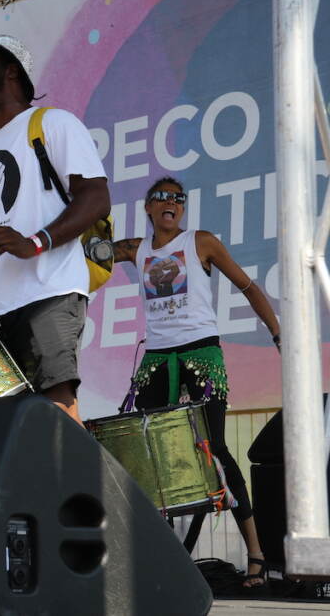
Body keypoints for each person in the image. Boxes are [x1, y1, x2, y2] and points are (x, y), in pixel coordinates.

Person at [113, 176, 279, 588]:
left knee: (215, 448)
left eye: (178, 198)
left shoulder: (201, 242)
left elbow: (247, 286)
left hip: (200, 355)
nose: (171, 202)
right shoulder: (135, 249)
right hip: (156, 359)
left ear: (182, 209)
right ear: (148, 207)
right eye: (162, 197)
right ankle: (158, 555)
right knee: (152, 454)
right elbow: (89, 254)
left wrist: (278, 334)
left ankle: (256, 554)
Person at [0, 36, 110, 423]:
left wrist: (36, 243)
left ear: (11, 72)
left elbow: (95, 197)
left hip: (49, 290)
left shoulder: (52, 123)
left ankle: (76, 483)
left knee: (55, 408)